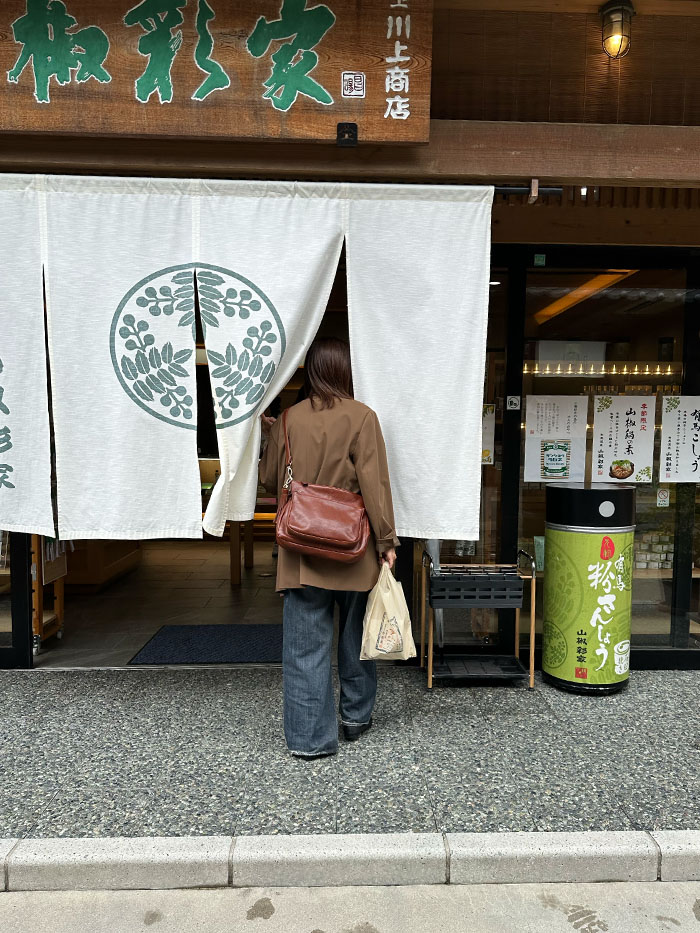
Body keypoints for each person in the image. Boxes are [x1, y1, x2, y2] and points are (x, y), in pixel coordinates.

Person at [259, 337, 399, 760]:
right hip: (354, 548)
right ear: (346, 371)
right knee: (356, 639)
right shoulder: (362, 417)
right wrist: (387, 542)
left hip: (302, 549)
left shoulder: (288, 419)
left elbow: (270, 482)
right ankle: (355, 719)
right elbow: (375, 486)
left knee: (304, 648)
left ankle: (309, 740)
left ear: (311, 370)